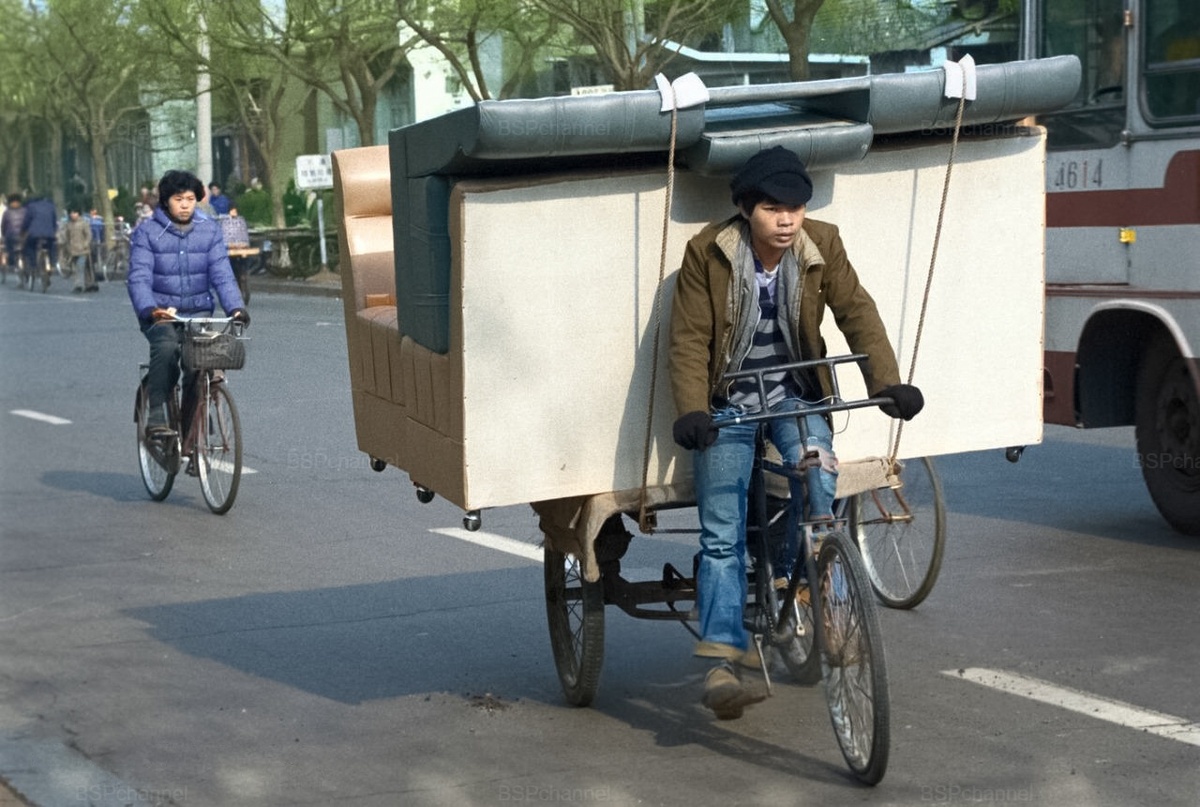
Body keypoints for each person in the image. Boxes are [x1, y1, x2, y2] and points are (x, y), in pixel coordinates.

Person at [668, 146, 924, 720]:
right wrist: (692, 410)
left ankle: (802, 585)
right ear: (745, 209)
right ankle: (722, 663)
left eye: (796, 208)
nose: (786, 221)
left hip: (795, 395)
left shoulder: (822, 244)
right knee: (722, 534)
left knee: (819, 486)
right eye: (772, 209)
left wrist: (888, 383)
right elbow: (688, 339)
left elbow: (858, 311)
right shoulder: (708, 252)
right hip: (728, 404)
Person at [127, 170, 248, 436]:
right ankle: (157, 411)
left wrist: (236, 307)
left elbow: (222, 274)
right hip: (161, 313)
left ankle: (195, 420)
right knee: (168, 348)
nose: (185, 205)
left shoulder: (209, 230)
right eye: (178, 199)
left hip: (199, 312)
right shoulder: (147, 232)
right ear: (166, 201)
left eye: (190, 199)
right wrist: (149, 309)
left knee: (199, 363)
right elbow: (139, 277)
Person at [20, 192, 59, 282]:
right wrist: (54, 231)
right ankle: (52, 263)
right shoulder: (50, 206)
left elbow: (26, 221)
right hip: (49, 233)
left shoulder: (31, 207)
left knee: (29, 247)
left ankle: (33, 265)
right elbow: (54, 220)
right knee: (51, 246)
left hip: (34, 234)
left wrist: (23, 230)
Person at [63, 207, 97, 292]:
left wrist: (85, 244)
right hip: (73, 250)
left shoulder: (83, 223)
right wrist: (67, 247)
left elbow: (89, 235)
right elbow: (67, 236)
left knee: (80, 267)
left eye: (75, 213)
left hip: (83, 250)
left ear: (78, 214)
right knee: (76, 268)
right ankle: (85, 284)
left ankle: (80, 285)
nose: (73, 215)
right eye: (71, 213)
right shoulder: (69, 224)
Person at [1, 194, 24, 273]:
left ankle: (12, 263)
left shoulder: (7, 213)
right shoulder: (24, 211)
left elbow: (3, 226)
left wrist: (3, 235)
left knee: (9, 248)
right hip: (22, 235)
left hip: (10, 235)